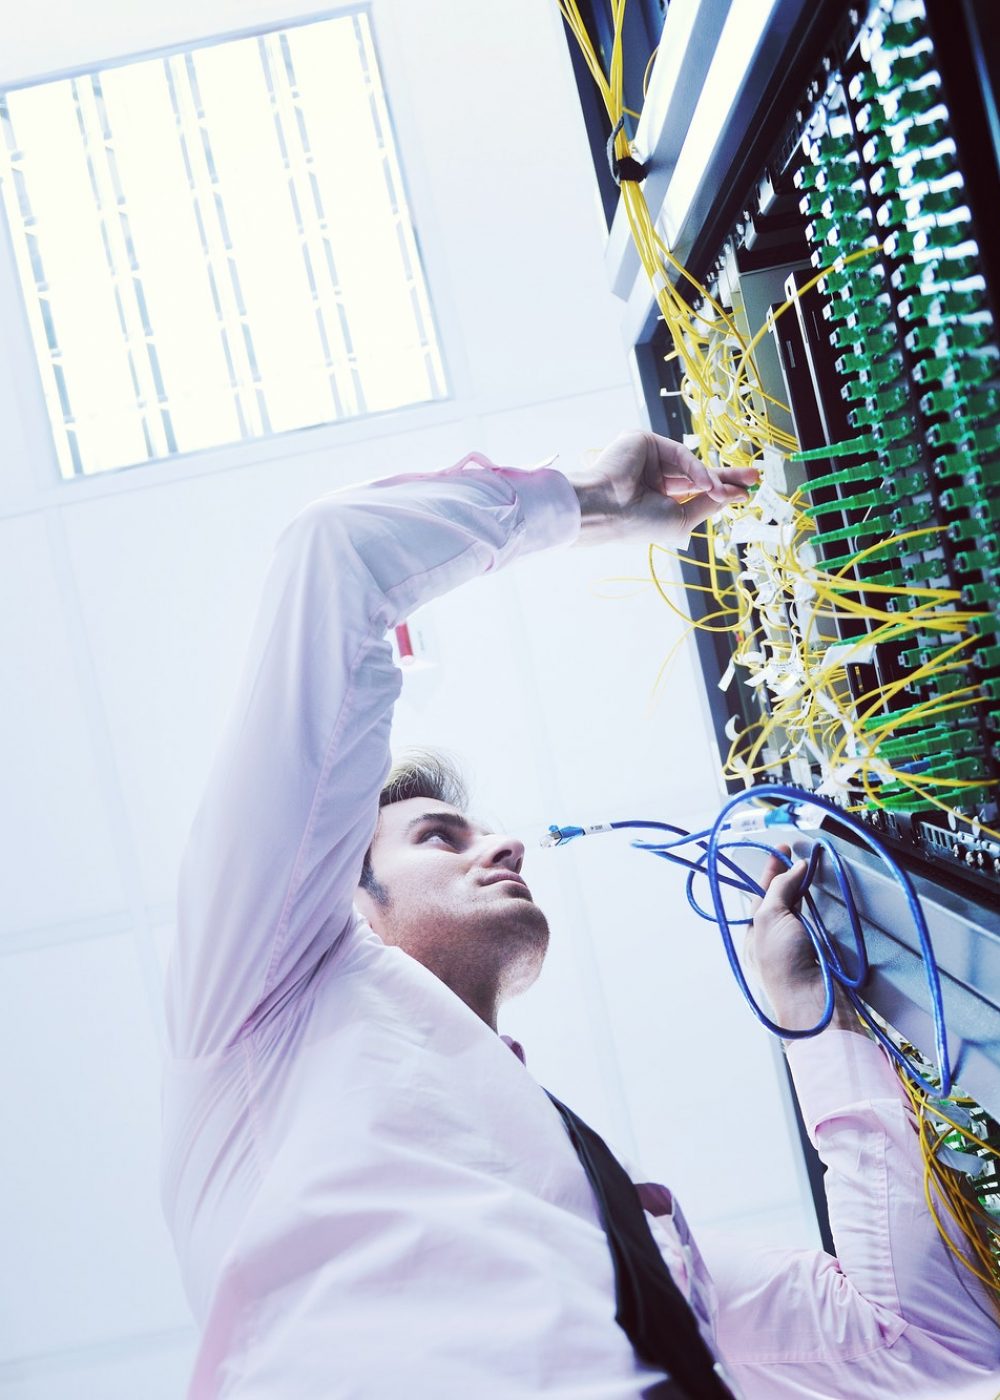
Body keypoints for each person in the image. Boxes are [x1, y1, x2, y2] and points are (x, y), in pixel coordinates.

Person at [162, 431, 999, 1398]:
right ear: (339, 896)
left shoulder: (598, 1218)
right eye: (440, 837)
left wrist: (813, 1020)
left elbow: (921, 1346)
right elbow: (337, 555)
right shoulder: (259, 1003)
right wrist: (594, 500)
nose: (503, 845)